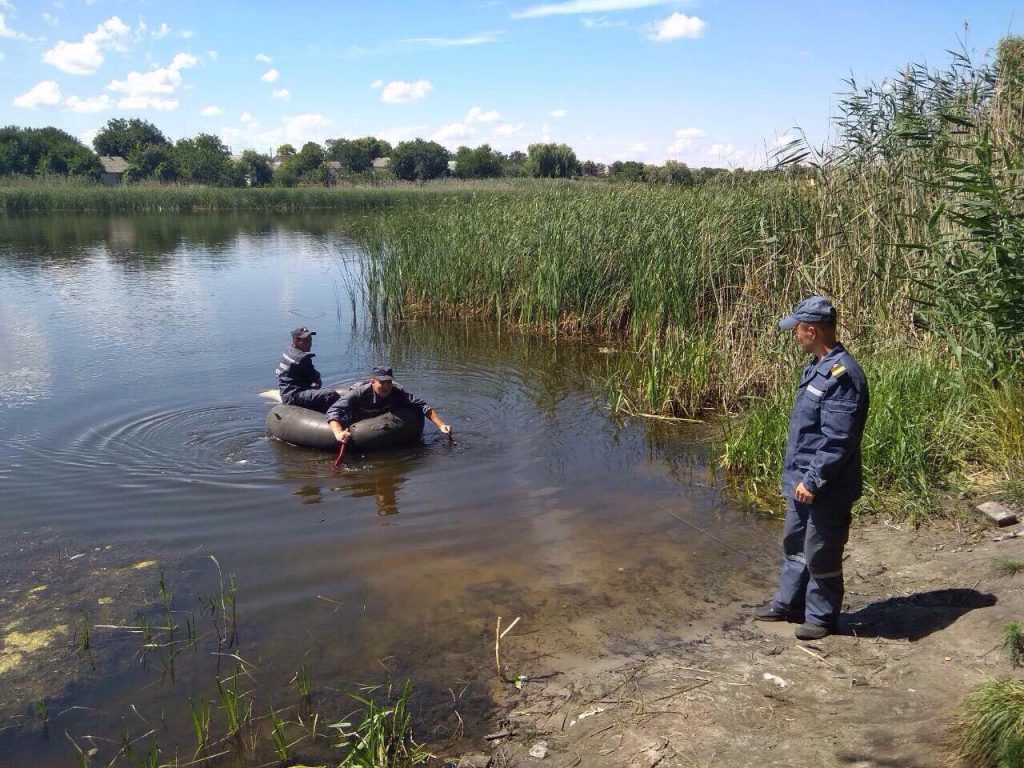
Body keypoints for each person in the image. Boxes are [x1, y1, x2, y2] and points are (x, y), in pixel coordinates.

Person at [754, 295, 870, 640]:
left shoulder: (842, 375)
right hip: (801, 480)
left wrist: (813, 479)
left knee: (822, 552)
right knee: (794, 544)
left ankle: (821, 617)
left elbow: (838, 440)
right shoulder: (817, 366)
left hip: (824, 486)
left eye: (797, 330)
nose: (794, 336)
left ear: (812, 330)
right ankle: (789, 603)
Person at [326, 366, 452, 445]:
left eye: (389, 382)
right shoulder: (358, 394)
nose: (386, 387)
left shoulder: (396, 393)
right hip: (358, 419)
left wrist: (441, 425)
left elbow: (422, 405)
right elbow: (334, 410)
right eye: (382, 383)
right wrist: (338, 432)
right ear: (373, 382)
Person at [275, 327, 340, 413]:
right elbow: (316, 379)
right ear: (296, 340)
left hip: (285, 392)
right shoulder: (302, 358)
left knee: (317, 390)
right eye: (306, 340)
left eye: (310, 340)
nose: (310, 343)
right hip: (294, 396)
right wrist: (316, 382)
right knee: (331, 395)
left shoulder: (288, 350)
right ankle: (334, 416)